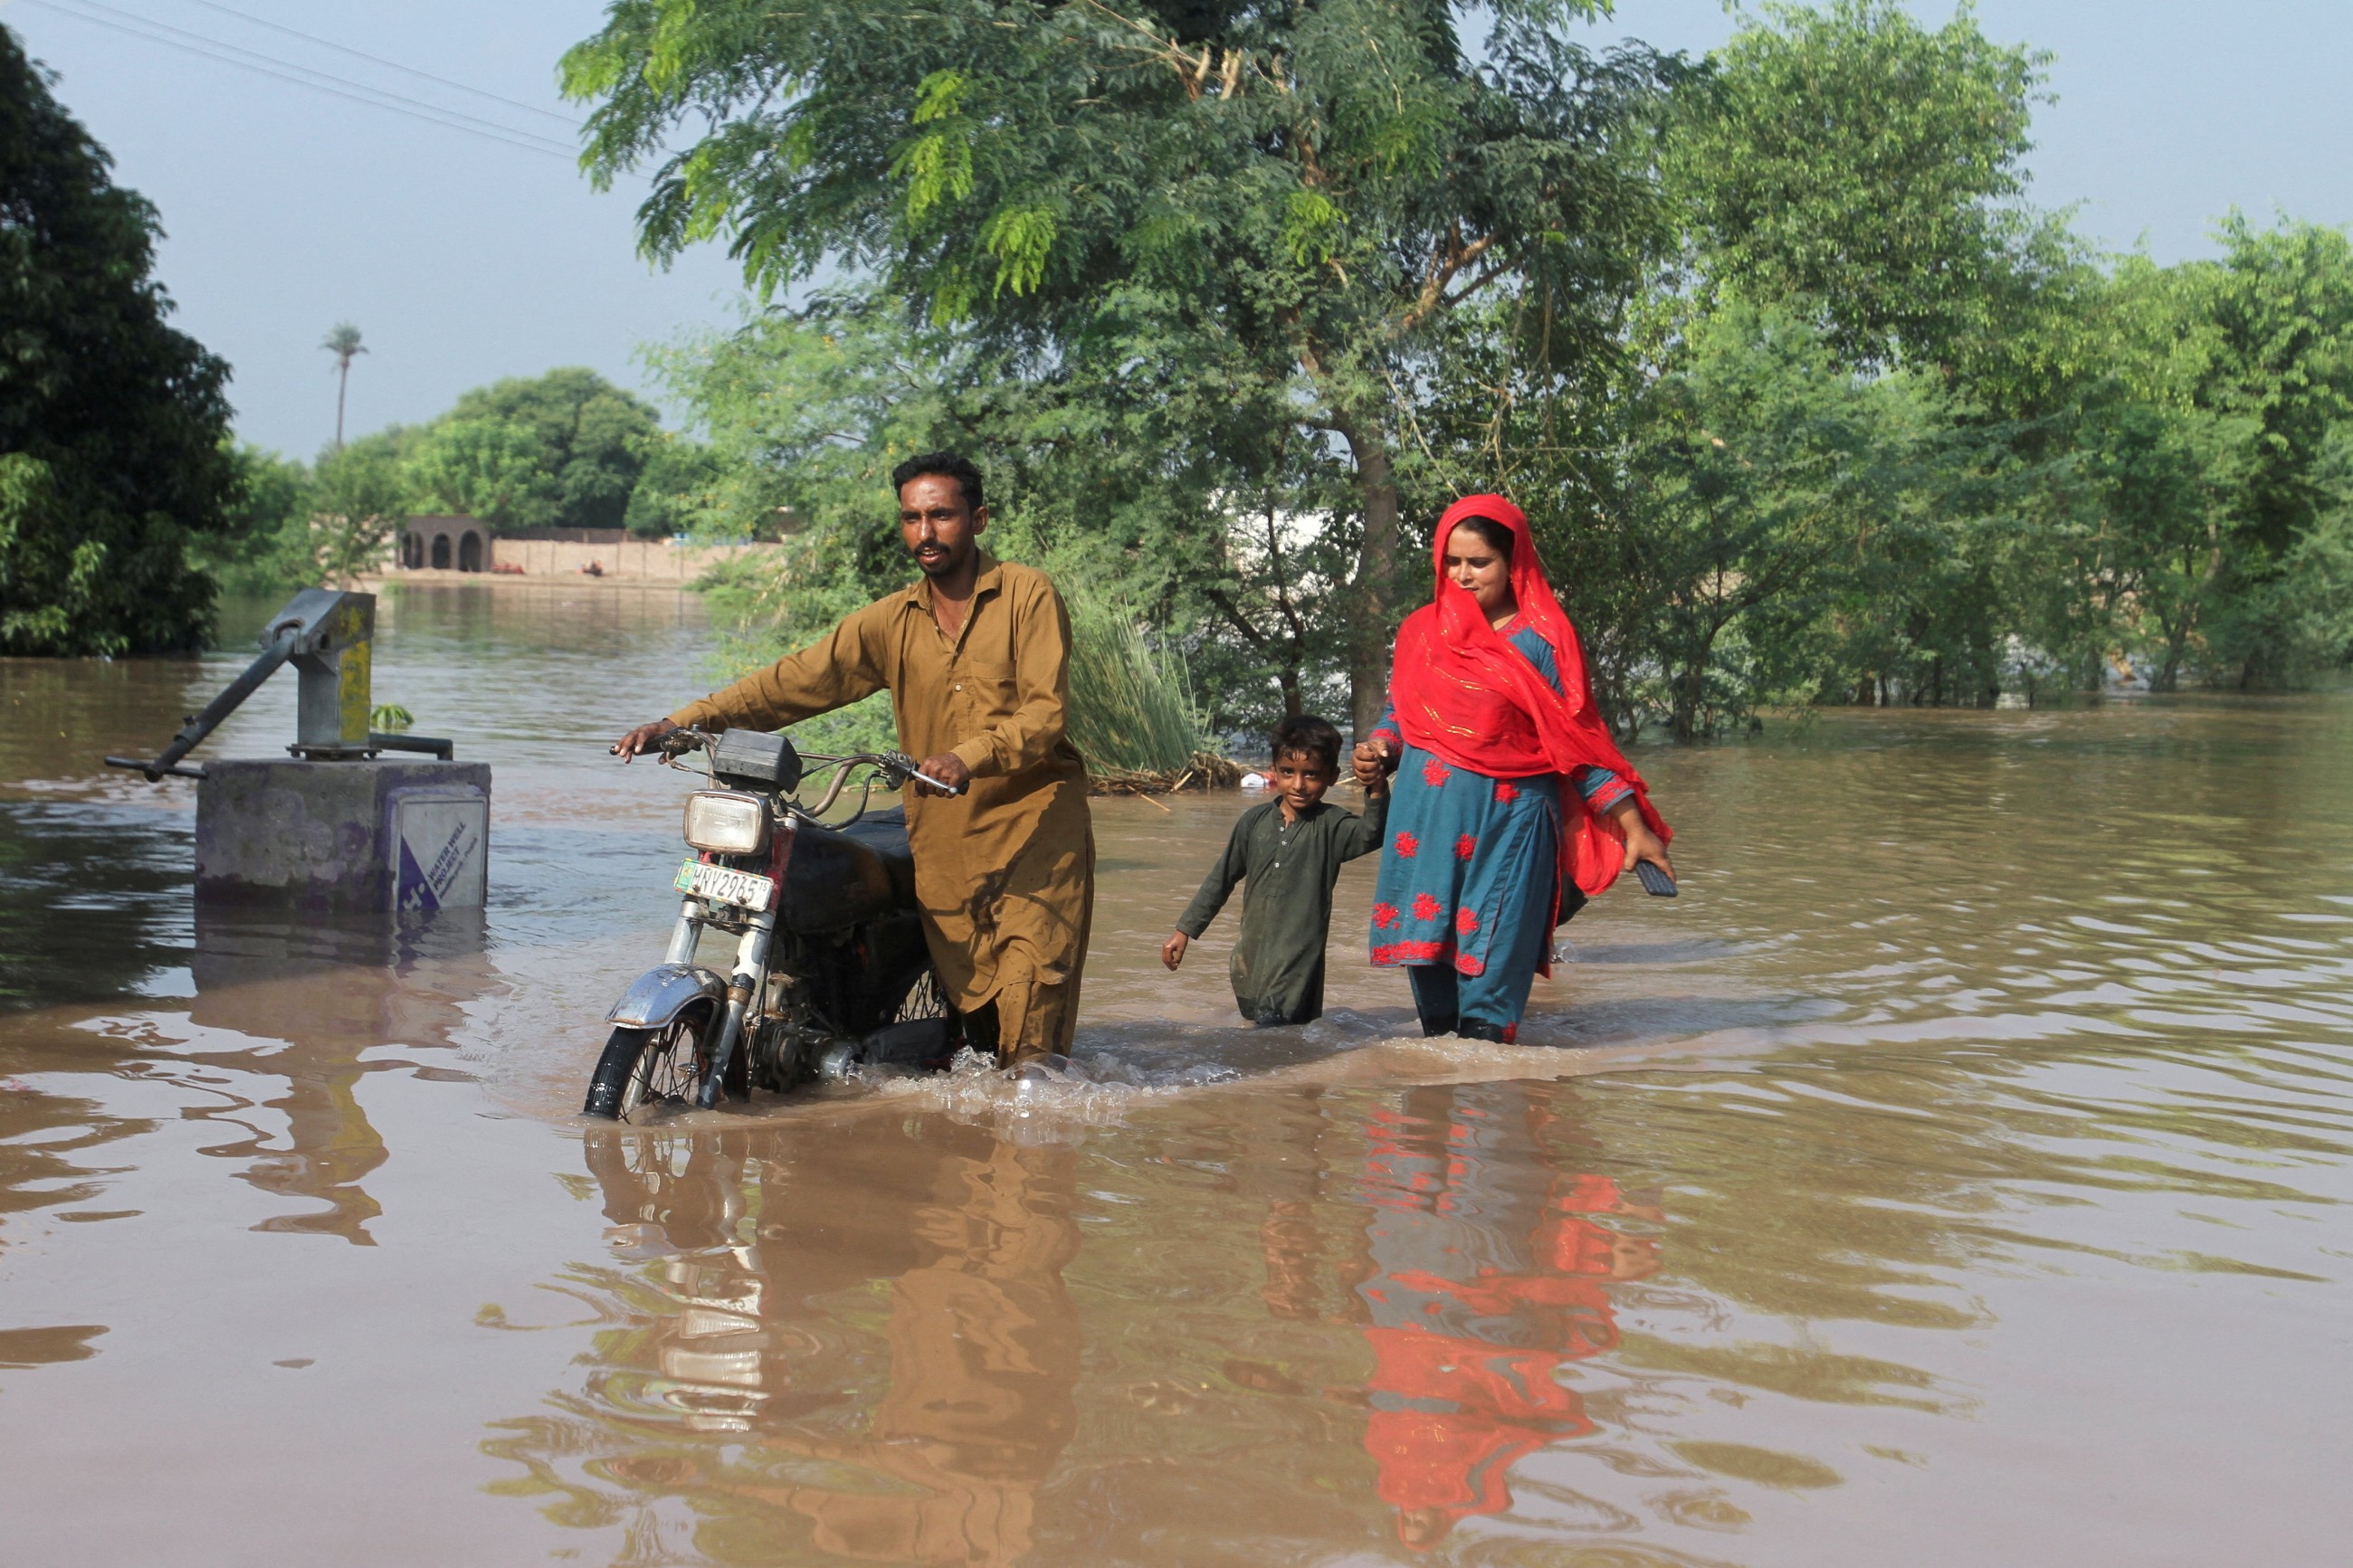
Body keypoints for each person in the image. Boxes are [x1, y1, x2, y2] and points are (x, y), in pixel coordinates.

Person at [612, 452, 1094, 1069]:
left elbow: (1044, 713)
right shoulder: (891, 620)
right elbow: (794, 680)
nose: (925, 532)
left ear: (978, 520)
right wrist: (683, 722)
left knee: (1029, 1040)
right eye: (912, 517)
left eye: (941, 515)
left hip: (1034, 835)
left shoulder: (1027, 594)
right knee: (981, 1032)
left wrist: (967, 755)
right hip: (944, 843)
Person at [1354, 494, 1672, 1043]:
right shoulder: (1421, 633)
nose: (1463, 575)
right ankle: (1429, 1123)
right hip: (1426, 826)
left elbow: (1580, 743)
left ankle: (1496, 1113)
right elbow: (1401, 714)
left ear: (1513, 562)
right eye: (1452, 562)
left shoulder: (1543, 639)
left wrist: (1634, 829)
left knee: (1489, 989)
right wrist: (1380, 747)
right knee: (1434, 998)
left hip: (1510, 825)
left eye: (1480, 563)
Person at [1162, 714, 1388, 1026]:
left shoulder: (1332, 826)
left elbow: (1371, 833)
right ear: (1273, 771)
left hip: (1297, 966)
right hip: (1249, 959)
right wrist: (1184, 931)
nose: (1298, 784)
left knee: (1277, 1034)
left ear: (1333, 776)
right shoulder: (1253, 823)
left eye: (1311, 774)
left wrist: (1376, 788)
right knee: (1262, 1035)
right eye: (1288, 772)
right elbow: (1220, 879)